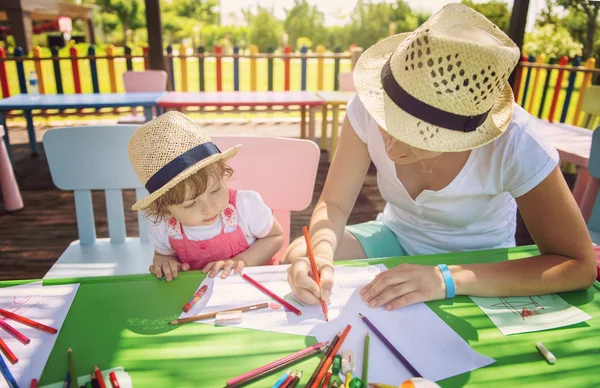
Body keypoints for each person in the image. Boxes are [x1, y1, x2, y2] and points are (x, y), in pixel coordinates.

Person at [284, 3, 596, 310]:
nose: (391, 148)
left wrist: (447, 279)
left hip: (478, 265)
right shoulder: (365, 105)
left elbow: (578, 265)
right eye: (387, 120)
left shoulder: (517, 143)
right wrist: (320, 252)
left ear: (467, 136)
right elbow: (335, 205)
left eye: (416, 136)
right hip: (396, 234)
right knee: (298, 254)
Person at [128, 111, 283, 281]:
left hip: (255, 288)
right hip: (198, 298)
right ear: (164, 207)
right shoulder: (164, 226)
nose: (210, 208)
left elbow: (275, 237)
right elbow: (162, 255)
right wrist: (166, 262)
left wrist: (242, 261)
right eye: (190, 204)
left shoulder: (246, 206)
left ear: (223, 173)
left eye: (215, 190)